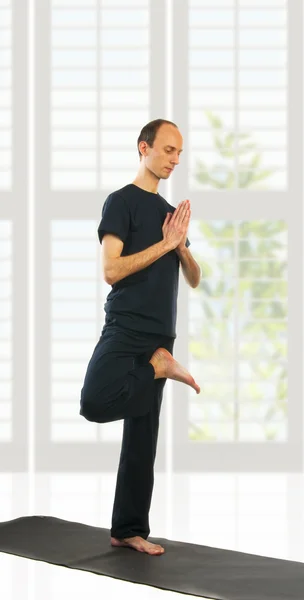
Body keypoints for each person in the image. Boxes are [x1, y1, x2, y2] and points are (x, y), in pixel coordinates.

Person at [79, 119, 201, 556]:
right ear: (143, 148)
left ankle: (128, 529)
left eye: (180, 154)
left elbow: (195, 279)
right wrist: (164, 246)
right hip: (127, 329)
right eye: (168, 150)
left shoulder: (170, 213)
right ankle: (158, 368)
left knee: (142, 441)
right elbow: (111, 270)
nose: (175, 160)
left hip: (160, 333)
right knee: (94, 401)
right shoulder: (121, 203)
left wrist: (181, 246)